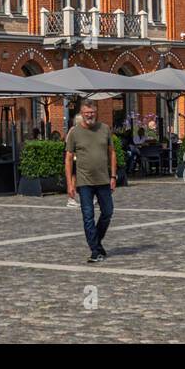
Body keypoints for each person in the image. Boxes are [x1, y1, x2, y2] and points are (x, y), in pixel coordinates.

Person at [64, 100, 116, 264]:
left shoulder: (104, 129)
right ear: (81, 113)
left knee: (108, 212)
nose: (89, 115)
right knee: (88, 216)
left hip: (103, 180)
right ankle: (95, 250)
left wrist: (113, 176)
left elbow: (112, 153)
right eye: (86, 112)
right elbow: (68, 159)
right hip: (84, 181)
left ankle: (97, 242)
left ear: (96, 112)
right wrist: (70, 184)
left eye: (92, 112)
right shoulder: (74, 132)